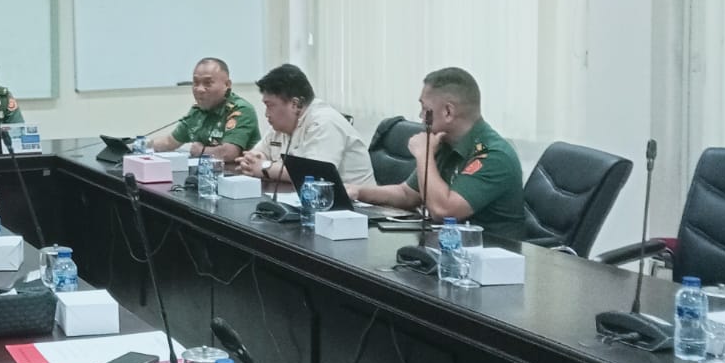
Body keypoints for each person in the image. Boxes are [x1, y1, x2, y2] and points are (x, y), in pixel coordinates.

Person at [348, 67, 525, 239]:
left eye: (425, 109)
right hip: (450, 249)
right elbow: (407, 194)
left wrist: (424, 155)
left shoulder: (494, 154)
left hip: (489, 256)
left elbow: (444, 211)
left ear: (448, 112)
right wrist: (359, 191)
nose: (421, 116)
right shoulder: (444, 142)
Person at [237, 64, 373, 186]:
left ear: (295, 104)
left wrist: (265, 167)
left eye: (270, 106)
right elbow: (258, 154)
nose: (266, 114)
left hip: (360, 207)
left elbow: (314, 174)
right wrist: (250, 162)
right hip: (308, 201)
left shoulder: (325, 121)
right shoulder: (281, 125)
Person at [151, 57, 261, 164]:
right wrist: (139, 144)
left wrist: (202, 151)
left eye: (207, 83)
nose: (199, 89)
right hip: (207, 176)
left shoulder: (240, 109)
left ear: (227, 85)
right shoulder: (198, 110)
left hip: (238, 178)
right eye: (195, 83)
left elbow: (228, 153)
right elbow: (169, 142)